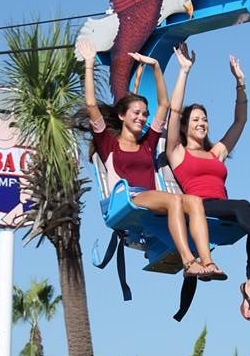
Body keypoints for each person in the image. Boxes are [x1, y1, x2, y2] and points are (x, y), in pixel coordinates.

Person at [166, 43, 250, 319]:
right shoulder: (177, 153)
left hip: (225, 210)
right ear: (184, 126)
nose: (202, 123)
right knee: (243, 205)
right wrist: (184, 71)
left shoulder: (215, 152)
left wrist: (240, 83)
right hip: (199, 208)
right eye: (195, 119)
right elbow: (174, 111)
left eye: (204, 119)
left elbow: (240, 121)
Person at [78, 37, 226, 280]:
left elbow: (165, 104)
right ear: (122, 115)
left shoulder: (147, 143)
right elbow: (91, 104)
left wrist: (156, 67)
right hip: (129, 197)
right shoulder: (108, 144)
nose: (141, 117)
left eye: (144, 114)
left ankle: (207, 262)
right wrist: (89, 64)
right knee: (176, 201)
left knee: (195, 202)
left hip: (153, 199)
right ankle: (189, 261)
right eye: (136, 113)